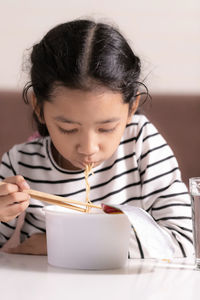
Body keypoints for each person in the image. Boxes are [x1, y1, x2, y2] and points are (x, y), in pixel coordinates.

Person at [0, 19, 193, 257]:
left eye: (106, 128)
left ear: (132, 107)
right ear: (38, 108)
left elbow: (182, 245)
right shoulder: (20, 163)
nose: (89, 148)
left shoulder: (141, 145)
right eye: (68, 129)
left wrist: (64, 243)